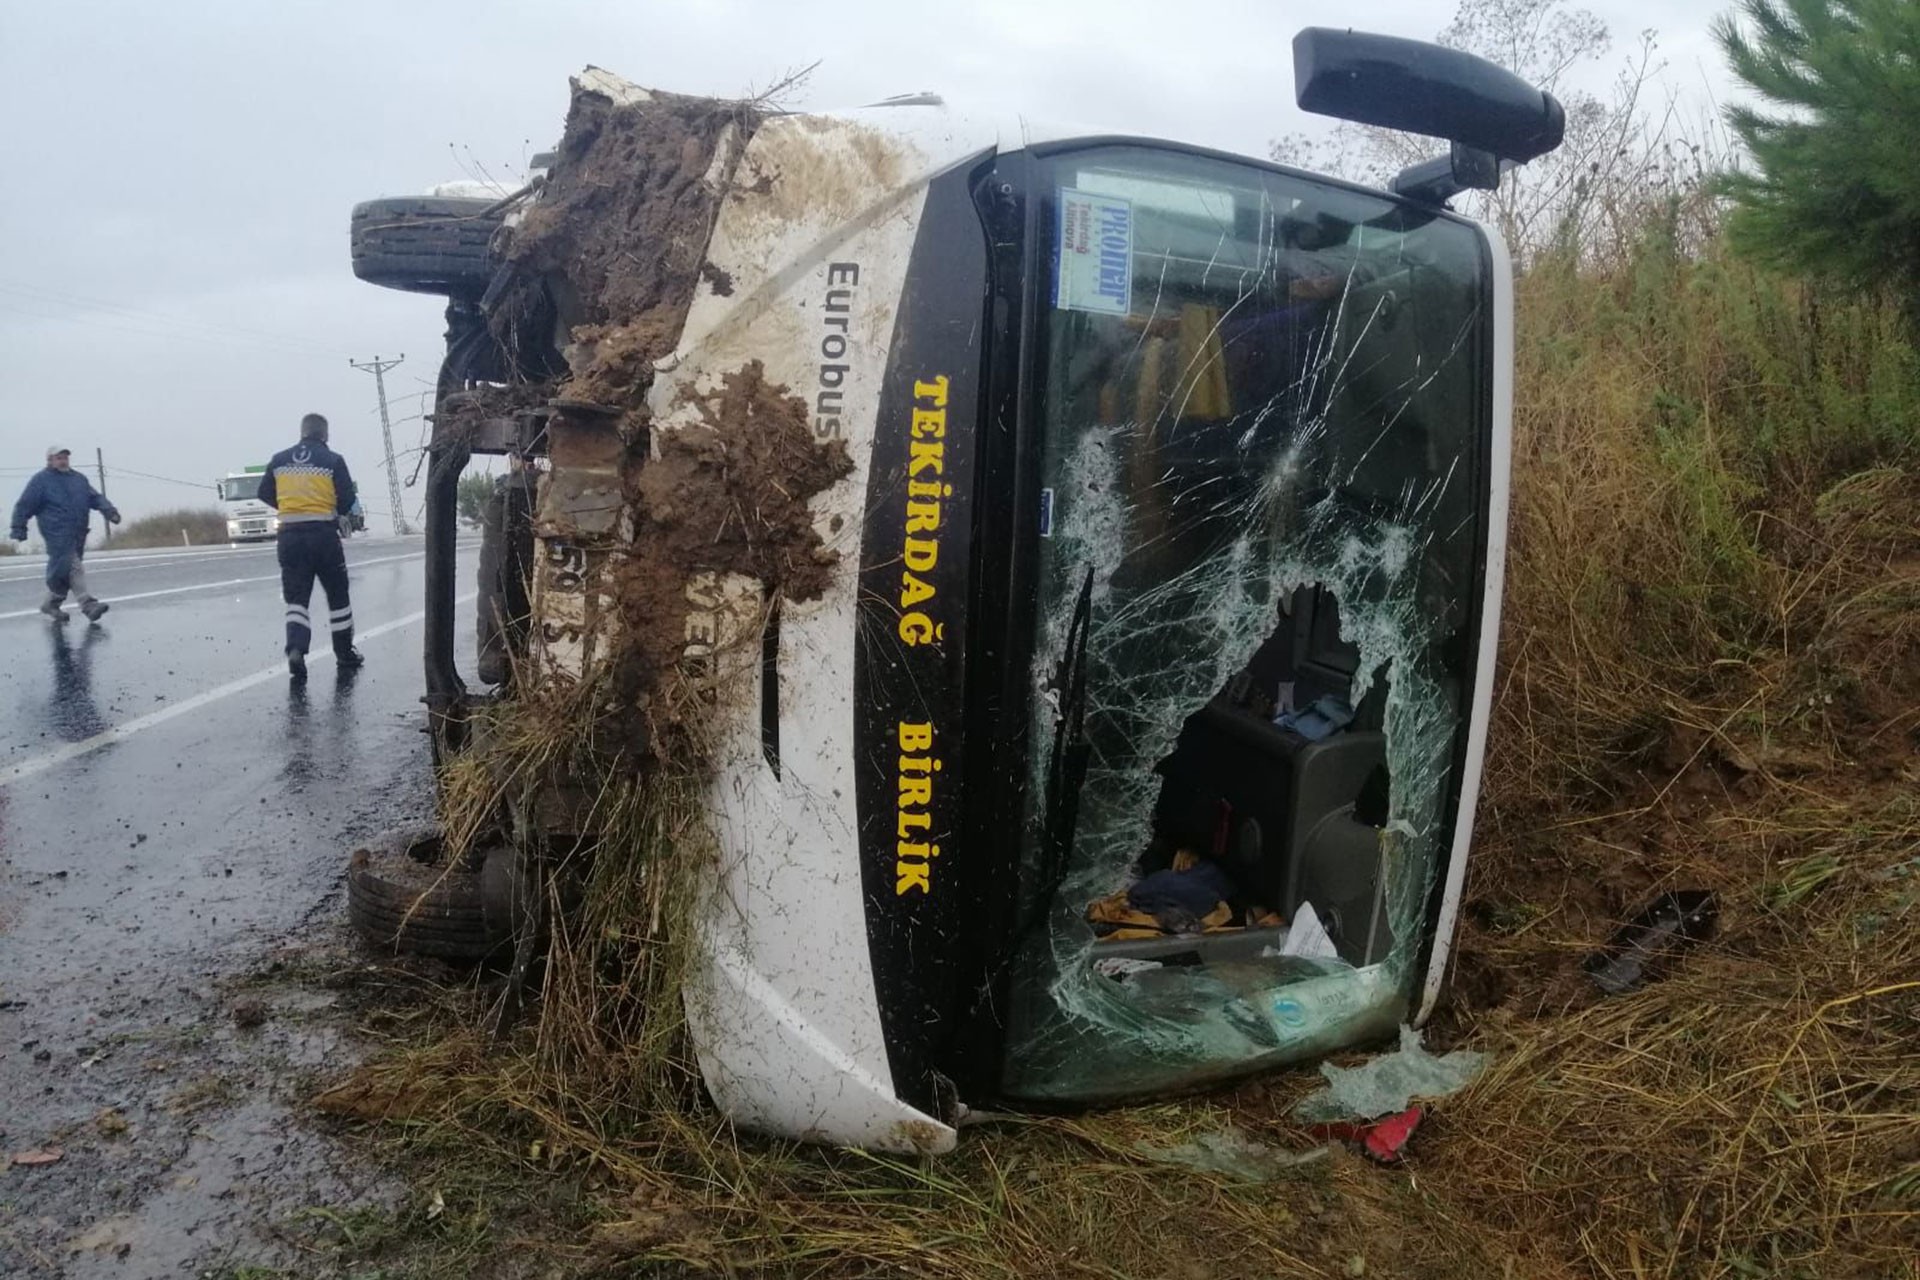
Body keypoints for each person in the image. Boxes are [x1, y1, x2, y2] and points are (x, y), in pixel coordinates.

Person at [258, 413, 363, 680]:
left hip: (290, 537)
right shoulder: (333, 461)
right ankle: (344, 653)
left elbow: (264, 492)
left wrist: (291, 507)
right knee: (338, 596)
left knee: (296, 599)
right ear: (324, 435)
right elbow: (347, 499)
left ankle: (296, 649)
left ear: (302, 432)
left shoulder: (279, 460)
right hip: (323, 536)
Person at [9, 444, 121, 623]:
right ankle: (88, 604)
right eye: (59, 458)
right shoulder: (41, 481)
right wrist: (18, 528)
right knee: (73, 566)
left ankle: (51, 604)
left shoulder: (79, 479)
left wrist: (110, 511)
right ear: (50, 460)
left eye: (65, 457)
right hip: (56, 532)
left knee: (64, 571)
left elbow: (95, 498)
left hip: (78, 532)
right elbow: (25, 504)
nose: (63, 461)